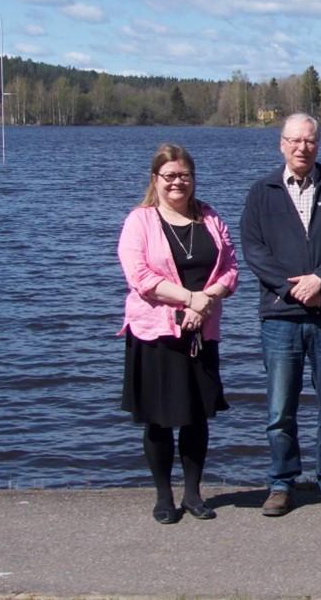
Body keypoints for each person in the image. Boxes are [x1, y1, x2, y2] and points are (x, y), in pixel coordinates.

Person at [240, 113, 321, 517]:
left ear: (318, 144)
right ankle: (281, 483)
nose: (301, 147)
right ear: (281, 144)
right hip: (280, 318)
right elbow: (254, 250)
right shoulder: (263, 192)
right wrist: (292, 288)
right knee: (280, 410)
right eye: (294, 141)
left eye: (309, 141)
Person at [118, 144, 238, 524]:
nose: (177, 182)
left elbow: (231, 268)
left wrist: (205, 303)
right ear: (155, 180)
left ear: (193, 178)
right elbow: (140, 277)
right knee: (158, 418)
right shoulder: (140, 220)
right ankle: (163, 497)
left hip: (201, 330)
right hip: (154, 332)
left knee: (196, 416)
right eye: (169, 175)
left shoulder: (210, 217)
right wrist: (190, 299)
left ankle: (192, 494)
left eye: (184, 175)